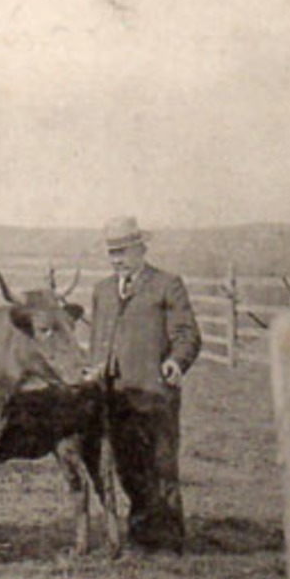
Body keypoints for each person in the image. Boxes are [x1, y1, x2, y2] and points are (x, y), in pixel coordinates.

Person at [88, 215, 201, 554]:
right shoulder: (103, 291)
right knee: (129, 467)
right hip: (115, 396)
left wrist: (175, 362)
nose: (117, 259)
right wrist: (94, 372)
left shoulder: (167, 285)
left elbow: (187, 335)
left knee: (160, 466)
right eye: (112, 253)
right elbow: (99, 340)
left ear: (140, 249)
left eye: (122, 251)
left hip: (154, 395)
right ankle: (141, 535)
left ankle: (167, 541)